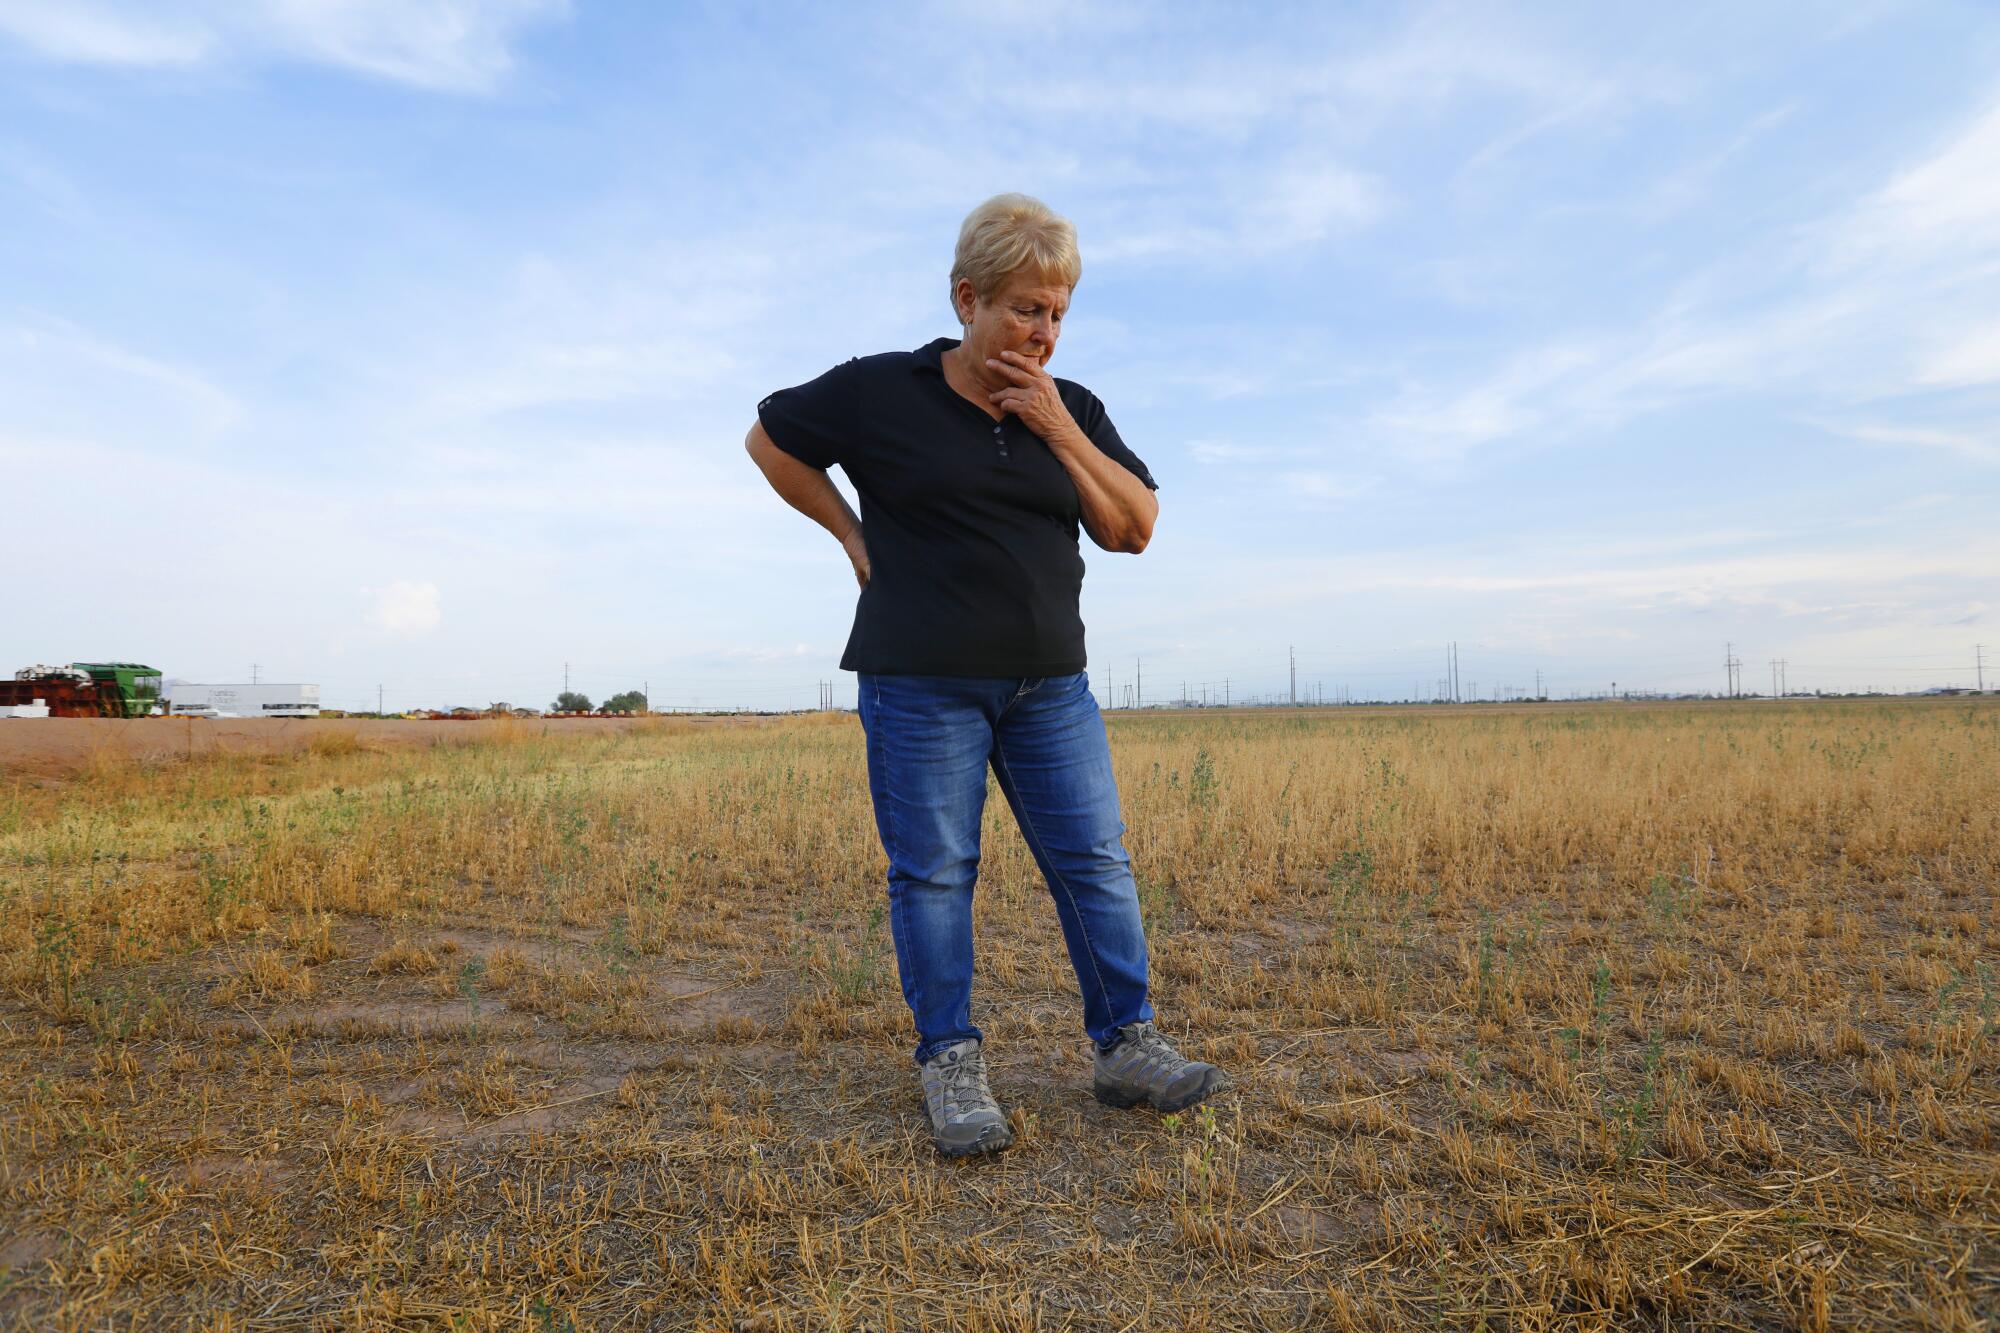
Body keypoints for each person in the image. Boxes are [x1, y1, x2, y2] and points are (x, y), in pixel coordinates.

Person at [746, 193, 1230, 1157]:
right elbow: (770, 442)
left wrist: (1056, 426)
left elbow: (1133, 527)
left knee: (1094, 861)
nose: (1043, 330)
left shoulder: (1075, 408)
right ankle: (952, 1065)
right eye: (1022, 308)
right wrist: (849, 533)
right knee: (934, 874)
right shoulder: (880, 390)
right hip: (920, 682)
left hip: (1049, 685)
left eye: (1057, 312)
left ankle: (1126, 1046)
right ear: (967, 298)